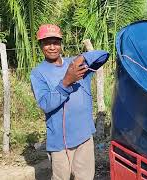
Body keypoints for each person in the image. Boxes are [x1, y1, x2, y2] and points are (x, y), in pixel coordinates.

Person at [30, 24, 109, 180]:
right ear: (40, 45)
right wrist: (66, 82)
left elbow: (103, 55)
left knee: (85, 177)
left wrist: (82, 57)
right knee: (61, 177)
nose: (52, 47)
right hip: (60, 140)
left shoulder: (75, 63)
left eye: (56, 42)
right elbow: (46, 104)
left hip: (84, 135)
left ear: (61, 44)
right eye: (47, 42)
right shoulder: (38, 73)